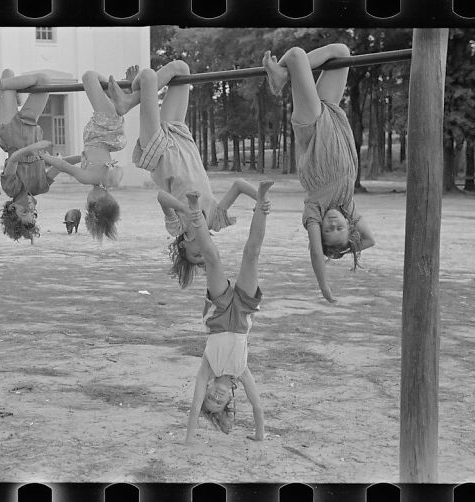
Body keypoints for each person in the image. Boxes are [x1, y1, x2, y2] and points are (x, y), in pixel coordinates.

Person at [106, 61, 261, 285]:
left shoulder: (178, 226)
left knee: (149, 76)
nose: (204, 251)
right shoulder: (215, 220)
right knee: (181, 68)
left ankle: (131, 96)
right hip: (181, 138)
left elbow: (161, 197)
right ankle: (130, 97)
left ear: (183, 244)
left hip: (159, 150)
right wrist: (261, 198)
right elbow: (238, 185)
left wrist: (188, 211)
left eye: (197, 254)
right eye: (206, 255)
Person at [263, 43, 375, 303]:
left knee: (296, 55)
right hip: (332, 119)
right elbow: (369, 239)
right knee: (343, 52)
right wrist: (343, 251)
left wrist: (324, 285)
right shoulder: (347, 205)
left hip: (313, 128)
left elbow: (315, 252)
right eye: (340, 228)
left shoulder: (314, 210)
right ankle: (283, 74)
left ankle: (281, 75)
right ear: (349, 224)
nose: (334, 223)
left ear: (319, 229)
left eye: (329, 230)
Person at [183, 180, 273, 444]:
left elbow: (194, 404)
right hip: (244, 314)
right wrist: (259, 435)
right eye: (218, 403)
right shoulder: (241, 372)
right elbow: (257, 406)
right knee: (252, 254)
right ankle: (262, 200)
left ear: (208, 388)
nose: (214, 398)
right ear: (229, 402)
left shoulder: (206, 370)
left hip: (219, 315)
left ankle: (194, 209)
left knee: (211, 259)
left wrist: (189, 439)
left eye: (209, 397)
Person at [36, 69, 135, 241]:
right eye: (88, 205)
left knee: (99, 87)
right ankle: (123, 94)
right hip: (105, 124)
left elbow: (76, 160)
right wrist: (46, 158)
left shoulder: (105, 179)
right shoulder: (89, 178)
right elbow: (64, 166)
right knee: (89, 77)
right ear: (94, 202)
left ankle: (120, 93)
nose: (86, 200)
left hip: (105, 127)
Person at [0, 70, 82, 242]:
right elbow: (61, 165)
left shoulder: (10, 188)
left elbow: (14, 158)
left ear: (12, 208)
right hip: (31, 128)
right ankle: (12, 93)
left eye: (24, 211)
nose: (30, 207)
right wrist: (83, 157)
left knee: (7, 77)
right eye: (33, 212)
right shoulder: (41, 187)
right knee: (43, 79)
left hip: (11, 132)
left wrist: (34, 147)